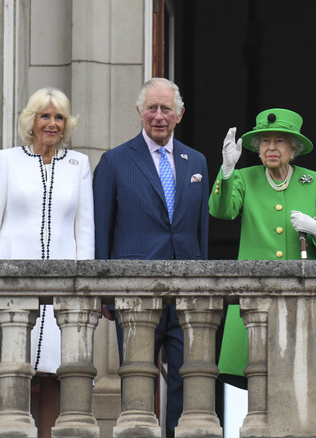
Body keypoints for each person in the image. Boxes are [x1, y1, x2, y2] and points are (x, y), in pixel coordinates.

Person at [93, 77, 210, 438]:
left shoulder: (198, 161)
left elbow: (200, 230)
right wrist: (105, 290)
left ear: (180, 114)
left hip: (187, 292)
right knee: (138, 380)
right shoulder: (113, 161)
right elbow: (102, 231)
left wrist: (202, 284)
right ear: (140, 111)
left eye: (166, 109)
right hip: (135, 291)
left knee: (187, 381)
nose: (159, 116)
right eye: (152, 108)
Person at [0, 87, 93, 437]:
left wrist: (84, 289)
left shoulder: (78, 164)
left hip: (61, 289)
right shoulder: (8, 160)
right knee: (14, 374)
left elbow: (84, 231)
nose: (52, 124)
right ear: (32, 121)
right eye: (45, 116)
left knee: (56, 374)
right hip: (13, 285)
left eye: (58, 117)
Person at [210, 108, 316, 387]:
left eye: (279, 141)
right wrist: (227, 170)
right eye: (265, 141)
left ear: (293, 148)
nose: (271, 148)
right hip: (255, 297)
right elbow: (221, 211)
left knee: (301, 383)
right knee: (258, 381)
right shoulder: (244, 178)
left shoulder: (314, 181)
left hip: (300, 298)